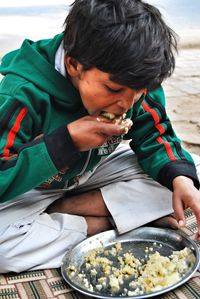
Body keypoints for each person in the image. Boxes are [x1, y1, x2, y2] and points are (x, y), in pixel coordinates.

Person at [0, 0, 199, 273]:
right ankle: (102, 223)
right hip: (34, 187)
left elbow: (156, 134)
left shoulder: (135, 81)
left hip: (95, 172)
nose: (127, 104)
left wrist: (181, 180)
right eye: (113, 89)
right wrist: (65, 142)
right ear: (73, 65)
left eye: (139, 91)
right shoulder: (23, 93)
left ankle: (76, 206)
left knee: (190, 173)